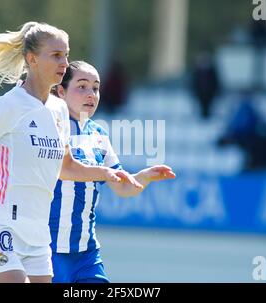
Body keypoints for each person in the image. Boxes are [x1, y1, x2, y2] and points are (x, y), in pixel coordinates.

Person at [0, 22, 142, 283]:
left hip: (39, 235)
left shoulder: (59, 110)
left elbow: (67, 167)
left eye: (66, 54)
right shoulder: (7, 105)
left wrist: (107, 173)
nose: (64, 62)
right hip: (1, 226)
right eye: (56, 55)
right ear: (32, 59)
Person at [50, 61, 176, 283]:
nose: (91, 94)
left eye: (96, 88)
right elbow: (63, 170)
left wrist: (143, 177)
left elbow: (122, 186)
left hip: (86, 253)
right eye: (82, 86)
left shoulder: (98, 134)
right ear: (61, 91)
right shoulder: (49, 127)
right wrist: (104, 173)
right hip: (47, 250)